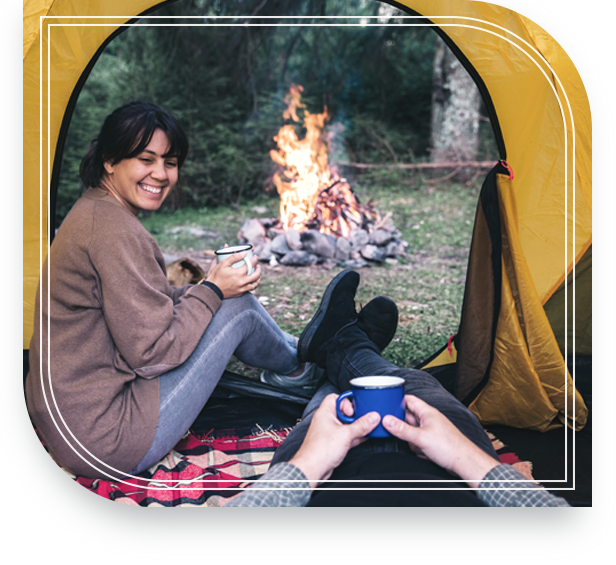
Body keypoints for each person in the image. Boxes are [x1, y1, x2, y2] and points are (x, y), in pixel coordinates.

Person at [25, 100, 325, 481]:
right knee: (240, 309)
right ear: (110, 160)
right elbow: (153, 354)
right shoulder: (113, 231)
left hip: (72, 426)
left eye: (170, 161)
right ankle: (306, 364)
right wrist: (214, 289)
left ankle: (308, 354)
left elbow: (138, 306)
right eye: (145, 159)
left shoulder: (94, 212)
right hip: (107, 441)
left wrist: (205, 290)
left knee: (225, 300)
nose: (161, 173)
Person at [225, 271, 570, 507]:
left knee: (335, 404)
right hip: (450, 473)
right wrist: (467, 460)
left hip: (325, 477)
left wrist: (308, 467)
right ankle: (346, 348)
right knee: (411, 381)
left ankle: (342, 347)